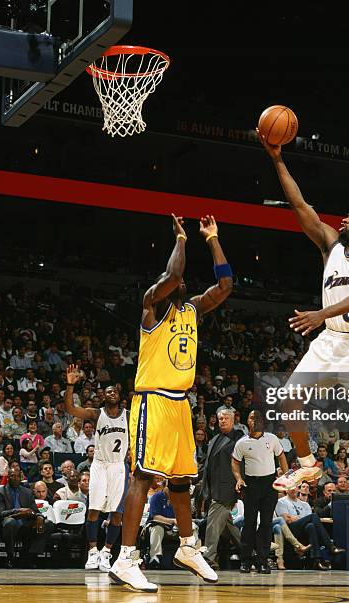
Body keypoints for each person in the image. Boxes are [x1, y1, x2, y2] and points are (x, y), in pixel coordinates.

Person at [259, 134, 349, 527]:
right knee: (288, 399)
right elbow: (299, 204)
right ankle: (306, 465)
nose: (346, 219)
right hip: (330, 340)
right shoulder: (330, 244)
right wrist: (277, 159)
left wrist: (321, 313)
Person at [110, 214, 232, 592]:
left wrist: (212, 239)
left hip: (181, 403)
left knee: (181, 481)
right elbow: (174, 277)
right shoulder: (151, 306)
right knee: (143, 477)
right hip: (153, 401)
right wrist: (181, 240)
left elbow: (226, 285)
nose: (177, 284)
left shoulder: (192, 309)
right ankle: (126, 558)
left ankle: (187, 546)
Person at [65, 373, 129, 572]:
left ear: (119, 396)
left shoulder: (128, 415)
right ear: (103, 397)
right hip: (100, 465)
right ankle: (93, 552)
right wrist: (70, 385)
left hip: (119, 466)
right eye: (107, 392)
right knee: (94, 510)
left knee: (117, 514)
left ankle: (106, 553)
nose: (110, 393)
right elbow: (71, 408)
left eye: (114, 391)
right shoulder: (96, 414)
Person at [231, 410, 288, 574]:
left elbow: (282, 457)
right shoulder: (242, 442)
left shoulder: (272, 438)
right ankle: (246, 561)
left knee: (266, 523)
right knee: (249, 523)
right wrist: (238, 479)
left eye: (258, 417)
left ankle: (263, 561)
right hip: (251, 485)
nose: (255, 420)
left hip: (269, 485)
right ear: (247, 421)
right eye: (252, 417)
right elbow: (235, 463)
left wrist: (286, 477)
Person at [200, 408, 245, 569]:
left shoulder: (239, 438)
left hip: (227, 489)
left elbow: (242, 464)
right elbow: (208, 466)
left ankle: (208, 558)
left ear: (233, 420)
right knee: (229, 526)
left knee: (212, 523)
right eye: (220, 419)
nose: (223, 421)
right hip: (213, 488)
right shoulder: (215, 439)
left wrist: (239, 486)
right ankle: (250, 554)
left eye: (226, 418)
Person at [0, 466, 54, 568]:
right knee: (10, 522)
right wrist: (18, 511)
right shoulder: (0, 492)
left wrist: (39, 517)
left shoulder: (27, 492)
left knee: (48, 524)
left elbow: (35, 511)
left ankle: (30, 556)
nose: (15, 478)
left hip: (25, 525)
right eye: (12, 476)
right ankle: (10, 558)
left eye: (18, 476)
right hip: (7, 527)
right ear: (8, 478)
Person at [276, 485, 344, 570]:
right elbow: (287, 520)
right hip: (289, 530)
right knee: (313, 516)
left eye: (295, 487)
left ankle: (317, 561)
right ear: (286, 490)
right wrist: (301, 519)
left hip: (303, 529)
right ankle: (330, 547)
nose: (293, 489)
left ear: (298, 489)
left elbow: (310, 521)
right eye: (291, 487)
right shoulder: (281, 502)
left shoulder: (305, 504)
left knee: (311, 526)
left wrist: (297, 518)